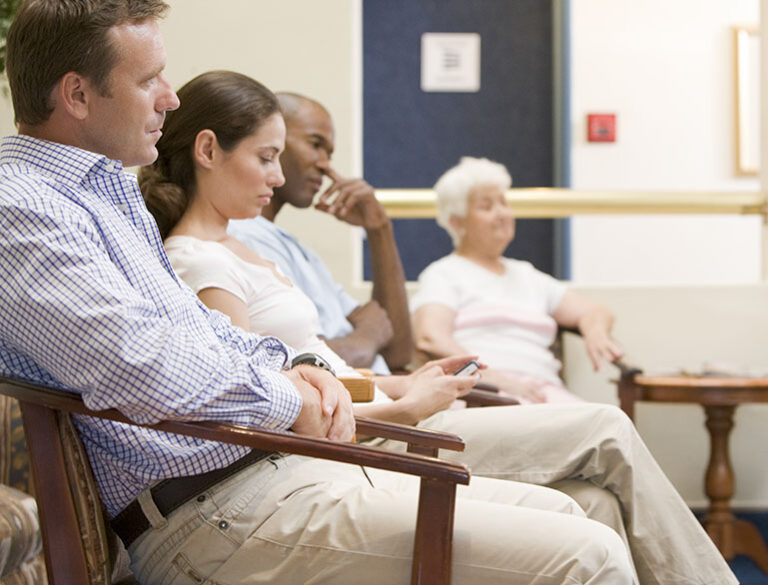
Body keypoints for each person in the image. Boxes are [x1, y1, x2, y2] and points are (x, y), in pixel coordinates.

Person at [0, 3, 646, 584]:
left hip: (265, 473)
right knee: (587, 553)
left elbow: (206, 334)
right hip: (210, 512)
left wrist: (298, 369)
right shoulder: (21, 205)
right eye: (149, 80)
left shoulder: (107, 195)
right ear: (78, 95)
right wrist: (294, 395)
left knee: (579, 510)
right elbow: (142, 363)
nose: (167, 98)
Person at [139, 72, 739, 585]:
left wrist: (400, 385)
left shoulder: (248, 250)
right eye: (265, 157)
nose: (277, 175)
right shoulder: (199, 259)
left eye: (277, 156)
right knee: (606, 429)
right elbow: (259, 408)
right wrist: (404, 406)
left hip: (353, 425)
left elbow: (307, 374)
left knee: (595, 503)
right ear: (209, 151)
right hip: (330, 451)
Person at [411, 156, 623, 404]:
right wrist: (494, 378)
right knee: (601, 426)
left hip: (542, 392)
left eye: (503, 203)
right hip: (483, 395)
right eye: (486, 206)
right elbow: (430, 337)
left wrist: (595, 331)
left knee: (611, 423)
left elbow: (595, 310)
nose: (501, 213)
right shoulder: (445, 274)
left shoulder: (527, 275)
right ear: (457, 222)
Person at [227, 92, 409, 375]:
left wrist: (379, 229)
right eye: (315, 144)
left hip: (391, 397)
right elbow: (296, 360)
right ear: (273, 140)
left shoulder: (297, 249)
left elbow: (397, 352)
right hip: (358, 411)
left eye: (330, 153)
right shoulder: (241, 236)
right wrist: (366, 338)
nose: (326, 165)